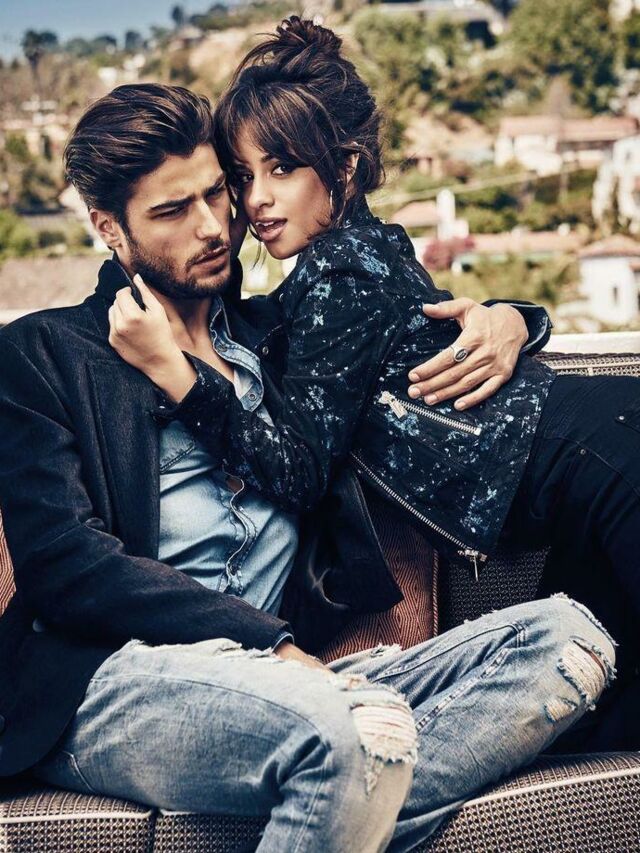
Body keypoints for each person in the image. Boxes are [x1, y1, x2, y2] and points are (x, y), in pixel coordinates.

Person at [0, 82, 614, 853]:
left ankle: (338, 794)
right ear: (108, 228)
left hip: (300, 693)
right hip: (114, 683)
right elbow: (66, 566)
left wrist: (514, 319)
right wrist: (271, 645)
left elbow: (398, 315)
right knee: (349, 732)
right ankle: (347, 768)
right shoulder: (45, 354)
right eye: (172, 211)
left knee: (569, 640)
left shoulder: (283, 337)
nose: (212, 226)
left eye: (215, 194)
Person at [114, 19, 640, 751]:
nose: (257, 199)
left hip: (607, 466)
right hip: (588, 473)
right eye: (244, 175)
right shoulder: (349, 263)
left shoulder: (343, 270)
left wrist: (179, 377)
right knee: (598, 722)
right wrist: (520, 316)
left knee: (596, 718)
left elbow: (297, 469)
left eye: (283, 168)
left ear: (346, 166)